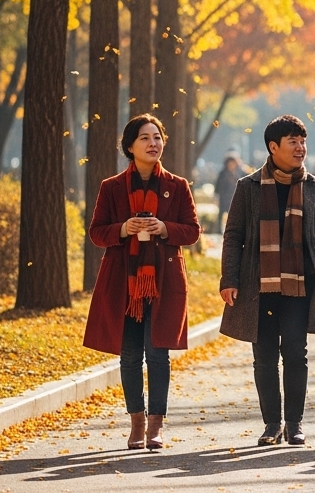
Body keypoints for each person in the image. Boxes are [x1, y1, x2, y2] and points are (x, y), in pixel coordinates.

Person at [219, 115, 315, 446]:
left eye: (303, 141)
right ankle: (272, 424)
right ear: (273, 147)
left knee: (296, 353)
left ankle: (295, 423)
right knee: (265, 357)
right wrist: (229, 279)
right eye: (293, 142)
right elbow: (234, 235)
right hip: (260, 286)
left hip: (299, 286)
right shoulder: (249, 187)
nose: (301, 148)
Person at [84, 114, 201, 450]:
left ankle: (155, 427)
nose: (153, 143)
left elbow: (192, 231)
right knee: (131, 355)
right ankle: (136, 423)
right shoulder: (112, 187)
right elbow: (96, 233)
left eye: (158, 137)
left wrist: (164, 228)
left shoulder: (177, 186)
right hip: (125, 283)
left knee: (159, 354)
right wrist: (124, 229)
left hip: (164, 280)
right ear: (130, 146)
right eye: (145, 138)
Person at [215, 155, 242, 229]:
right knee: (221, 216)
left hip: (233, 198)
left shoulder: (237, 174)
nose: (232, 165)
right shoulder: (222, 174)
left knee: (233, 217)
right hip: (223, 198)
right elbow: (218, 186)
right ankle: (219, 230)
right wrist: (216, 197)